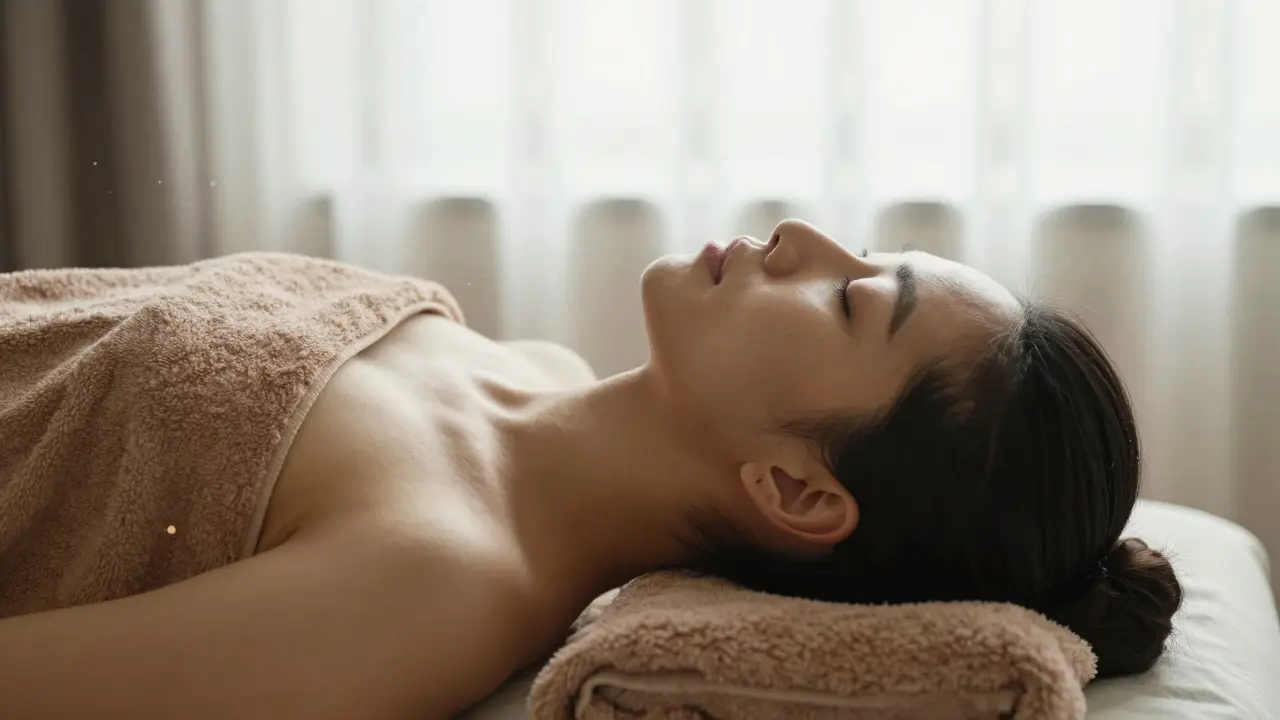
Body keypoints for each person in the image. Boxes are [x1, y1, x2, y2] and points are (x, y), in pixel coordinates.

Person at [0, 219, 1180, 718]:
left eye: (850, 297)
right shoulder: (532, 364)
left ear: (797, 492)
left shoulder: (424, 586)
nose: (799, 239)